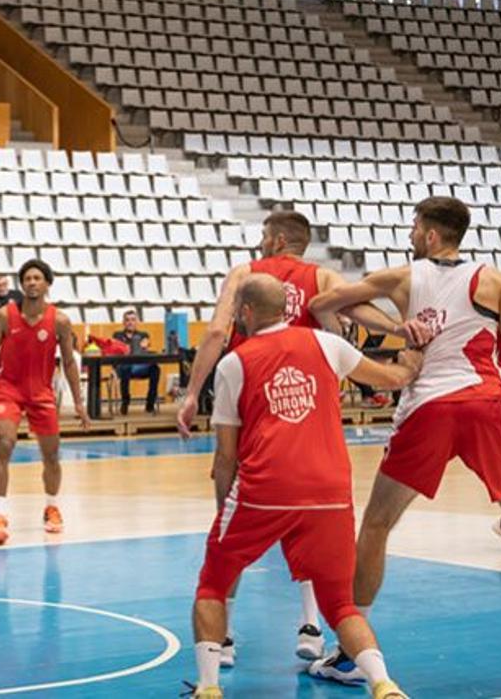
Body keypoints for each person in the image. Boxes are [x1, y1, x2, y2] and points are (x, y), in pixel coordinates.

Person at [176, 211, 408, 665]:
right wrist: (399, 329)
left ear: (278, 238)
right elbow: (357, 308)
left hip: (252, 401)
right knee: (311, 526)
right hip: (311, 395)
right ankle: (311, 627)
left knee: (229, 524)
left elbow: (219, 330)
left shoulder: (247, 274)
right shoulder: (322, 275)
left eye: (264, 234)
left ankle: (221, 641)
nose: (261, 241)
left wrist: (190, 394)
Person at [307, 196, 501, 682]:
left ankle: (349, 653)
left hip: (430, 406)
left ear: (431, 235)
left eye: (415, 226)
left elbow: (323, 304)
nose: (412, 234)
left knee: (377, 524)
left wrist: (396, 326)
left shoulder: (402, 277)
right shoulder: (497, 280)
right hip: (488, 401)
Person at [0, 259, 91, 546]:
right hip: (8, 390)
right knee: (4, 444)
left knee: (51, 454)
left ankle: (52, 507)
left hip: (41, 393)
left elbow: (70, 366)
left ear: (47, 283)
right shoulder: (4, 316)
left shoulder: (60, 321)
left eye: (38, 278)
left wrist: (78, 402)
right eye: (27, 278)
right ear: (21, 284)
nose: (32, 283)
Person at [112, 309, 160, 414]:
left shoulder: (143, 334)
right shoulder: (117, 335)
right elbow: (118, 349)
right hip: (122, 368)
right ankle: (125, 401)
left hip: (139, 367)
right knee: (125, 367)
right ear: (123, 322)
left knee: (155, 369)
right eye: (127, 320)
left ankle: (150, 404)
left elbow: (145, 345)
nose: (130, 322)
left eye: (133, 320)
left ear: (137, 322)